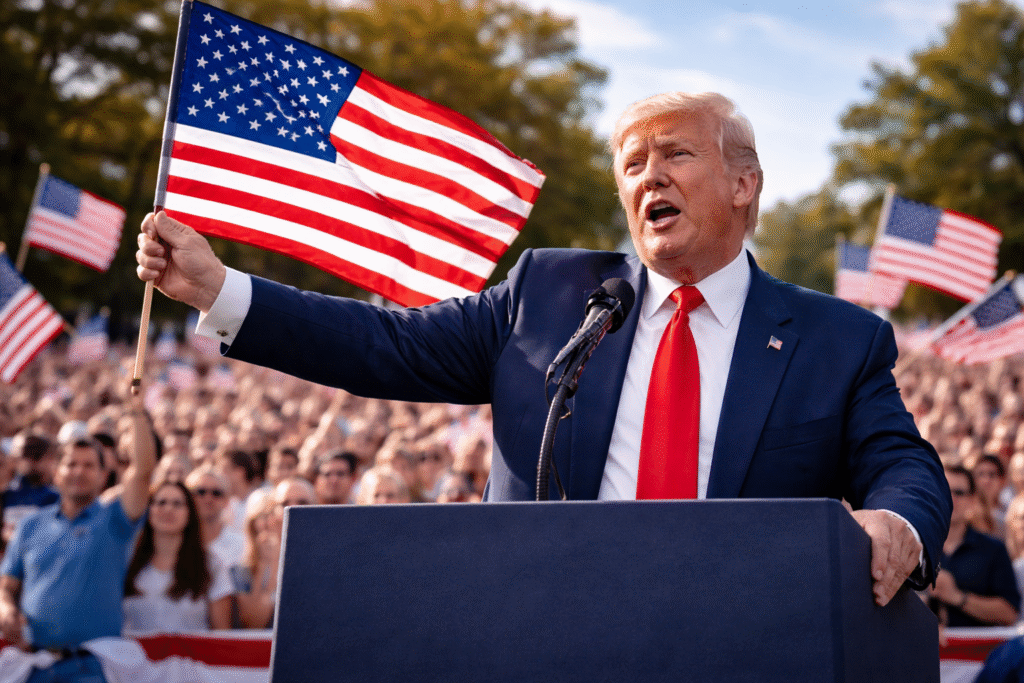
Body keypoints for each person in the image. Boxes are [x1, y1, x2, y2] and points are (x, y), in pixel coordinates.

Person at [136, 90, 951, 607]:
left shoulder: (840, 338)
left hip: (745, 643)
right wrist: (220, 290)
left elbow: (903, 464)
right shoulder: (552, 295)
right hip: (548, 633)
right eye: (633, 166)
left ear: (744, 183)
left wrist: (897, 522)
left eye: (675, 154)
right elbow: (386, 343)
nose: (647, 178)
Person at [0, 401, 155, 682]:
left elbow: (143, 471)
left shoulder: (115, 521)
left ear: (103, 476)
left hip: (91, 668)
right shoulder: (30, 525)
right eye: (71, 464)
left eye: (88, 465)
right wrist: (6, 609)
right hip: (35, 666)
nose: (79, 472)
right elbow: (6, 586)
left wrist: (136, 412)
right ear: (56, 471)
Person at [122, 481, 234, 635]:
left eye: (177, 504)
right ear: (148, 510)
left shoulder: (212, 565)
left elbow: (222, 636)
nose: (168, 509)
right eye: (161, 502)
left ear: (190, 513)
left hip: (191, 658)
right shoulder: (126, 561)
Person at [930, 465, 1019, 627]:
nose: (951, 498)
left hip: (978, 651)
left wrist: (957, 597)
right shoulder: (915, 546)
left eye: (959, 492)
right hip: (921, 650)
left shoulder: (994, 549)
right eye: (944, 490)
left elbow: (1010, 613)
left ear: (971, 500)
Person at [1, 433, 58, 547]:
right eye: (24, 454)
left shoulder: (55, 497)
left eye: (35, 455)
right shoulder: (6, 494)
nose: (29, 461)